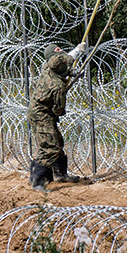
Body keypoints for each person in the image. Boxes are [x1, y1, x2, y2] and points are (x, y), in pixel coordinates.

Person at [27, 41, 87, 191]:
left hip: (39, 112)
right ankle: (38, 181)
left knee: (56, 142)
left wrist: (71, 72)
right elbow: (59, 109)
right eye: (57, 51)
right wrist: (77, 52)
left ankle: (60, 174)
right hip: (41, 114)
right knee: (50, 146)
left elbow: (59, 66)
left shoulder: (46, 67)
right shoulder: (58, 86)